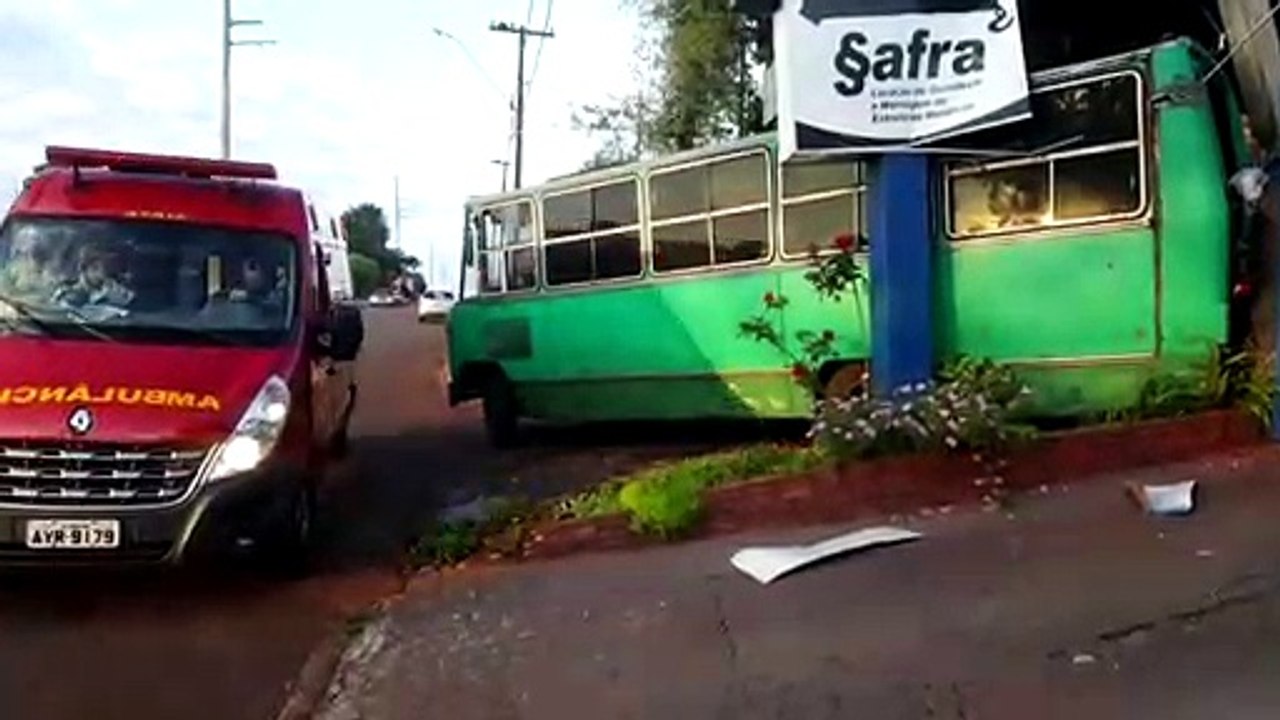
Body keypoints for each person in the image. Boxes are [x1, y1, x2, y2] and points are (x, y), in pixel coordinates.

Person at [53, 243, 134, 308]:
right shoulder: (67, 294)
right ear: (90, 267)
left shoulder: (116, 289)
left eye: (112, 264)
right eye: (106, 265)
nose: (112, 269)